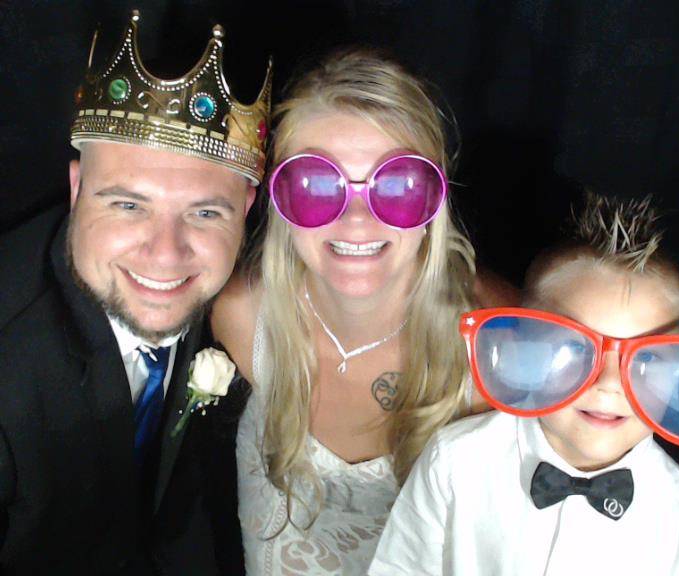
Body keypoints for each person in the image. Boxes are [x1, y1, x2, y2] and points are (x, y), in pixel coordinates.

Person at [370, 193, 679, 575]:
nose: (608, 384)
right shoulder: (454, 462)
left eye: (650, 358)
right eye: (573, 348)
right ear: (523, 349)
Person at [211, 47, 509, 575]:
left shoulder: (498, 345)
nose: (355, 220)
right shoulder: (241, 317)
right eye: (316, 185)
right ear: (278, 194)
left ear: (434, 199)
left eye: (396, 185)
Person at [0, 11, 270, 574]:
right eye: (129, 204)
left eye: (204, 212)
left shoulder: (232, 303)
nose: (166, 254)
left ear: (244, 211)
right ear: (77, 189)